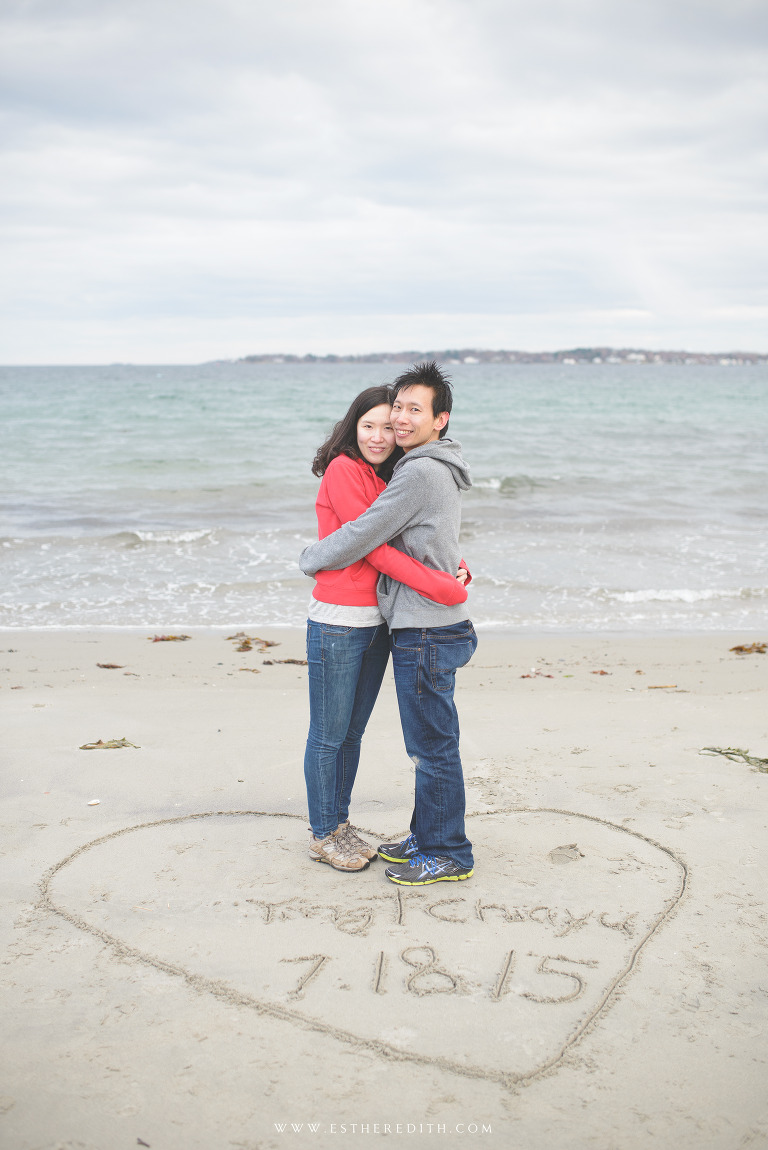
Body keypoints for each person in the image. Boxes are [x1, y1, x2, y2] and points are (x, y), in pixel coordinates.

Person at [300, 362, 477, 887]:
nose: (387, 429)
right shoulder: (358, 471)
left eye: (403, 413)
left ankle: (440, 846)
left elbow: (398, 537)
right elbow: (375, 541)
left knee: (416, 745)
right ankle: (330, 830)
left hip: (398, 622)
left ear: (439, 420)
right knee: (335, 735)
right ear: (352, 427)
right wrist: (444, 581)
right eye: (374, 422)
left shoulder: (409, 472)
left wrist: (451, 572)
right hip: (348, 618)